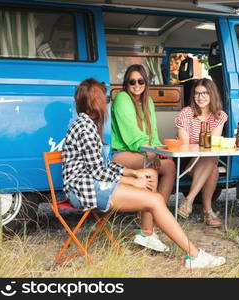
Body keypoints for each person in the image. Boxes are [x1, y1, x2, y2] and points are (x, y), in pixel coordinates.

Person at [62, 78, 226, 268]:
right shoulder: (85, 128)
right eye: (105, 99)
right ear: (95, 102)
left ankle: (147, 234)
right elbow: (98, 172)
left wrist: (134, 173)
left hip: (93, 183)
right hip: (85, 190)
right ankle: (194, 255)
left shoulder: (87, 124)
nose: (107, 103)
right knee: (155, 199)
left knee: (148, 174)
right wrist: (132, 182)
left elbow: (102, 166)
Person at [111, 64, 176, 246]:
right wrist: (151, 154)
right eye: (132, 81)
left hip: (142, 152)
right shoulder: (122, 98)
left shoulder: (148, 102)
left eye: (140, 81)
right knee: (152, 170)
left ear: (146, 82)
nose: (136, 85)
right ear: (126, 84)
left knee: (170, 166)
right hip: (121, 153)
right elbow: (133, 137)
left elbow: (153, 135)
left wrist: (157, 151)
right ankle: (146, 232)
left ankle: (156, 215)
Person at [175, 78, 228, 227]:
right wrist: (203, 145)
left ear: (212, 95)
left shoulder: (219, 116)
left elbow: (214, 143)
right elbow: (185, 146)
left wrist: (204, 145)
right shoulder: (186, 113)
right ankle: (207, 211)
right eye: (197, 94)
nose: (200, 97)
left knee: (212, 166)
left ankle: (189, 200)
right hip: (187, 160)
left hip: (207, 160)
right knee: (211, 161)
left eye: (205, 93)